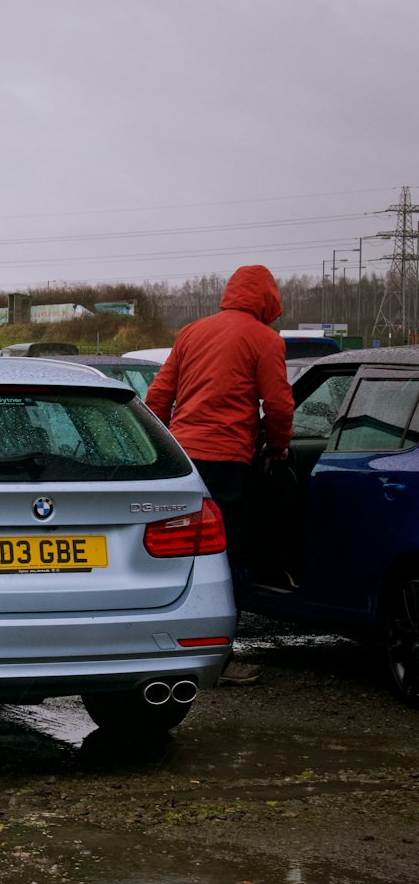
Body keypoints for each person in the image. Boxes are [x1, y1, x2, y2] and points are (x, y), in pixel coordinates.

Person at [145, 263, 293, 687]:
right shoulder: (265, 339)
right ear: (267, 300)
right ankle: (220, 656)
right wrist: (279, 447)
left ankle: (163, 642)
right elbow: (279, 405)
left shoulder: (192, 332)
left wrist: (157, 448)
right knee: (225, 556)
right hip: (227, 460)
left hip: (183, 459)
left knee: (174, 549)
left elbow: (159, 396)